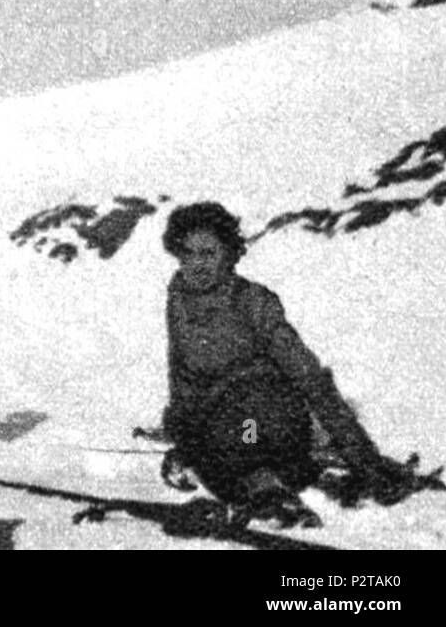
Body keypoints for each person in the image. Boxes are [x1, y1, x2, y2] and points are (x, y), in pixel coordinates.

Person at [158, 201, 423, 526]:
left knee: (245, 423)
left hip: (265, 424)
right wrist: (184, 438)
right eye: (189, 254)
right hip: (224, 431)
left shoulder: (253, 302)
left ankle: (272, 492)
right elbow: (182, 375)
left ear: (229, 254)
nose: (197, 264)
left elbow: (309, 376)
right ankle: (284, 480)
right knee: (216, 436)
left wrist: (362, 455)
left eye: (208, 253)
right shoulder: (179, 301)